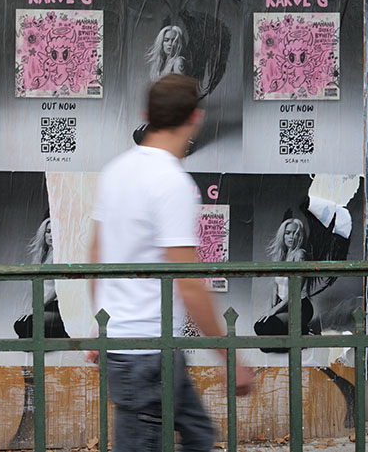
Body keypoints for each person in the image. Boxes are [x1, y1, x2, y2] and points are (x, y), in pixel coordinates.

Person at [88, 74, 253, 452]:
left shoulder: (116, 171)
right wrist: (230, 360)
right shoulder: (171, 182)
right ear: (196, 117)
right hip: (148, 354)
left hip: (138, 348)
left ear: (147, 114)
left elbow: (96, 255)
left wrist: (104, 323)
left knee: (198, 435)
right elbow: (189, 282)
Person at [253, 218, 316, 351]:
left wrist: (274, 311)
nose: (291, 237)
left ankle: (302, 332)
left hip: (299, 306)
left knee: (267, 333)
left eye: (296, 233)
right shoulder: (281, 255)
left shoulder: (300, 255)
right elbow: (274, 287)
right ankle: (298, 334)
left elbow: (295, 291)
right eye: (288, 233)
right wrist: (269, 309)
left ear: (300, 236)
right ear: (283, 235)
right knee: (259, 326)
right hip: (283, 305)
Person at [13, 218, 70, 339]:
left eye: (54, 231)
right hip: (43, 305)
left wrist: (36, 307)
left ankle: (62, 334)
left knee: (27, 325)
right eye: (48, 231)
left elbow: (56, 288)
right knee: (20, 325)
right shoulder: (42, 257)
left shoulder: (59, 256)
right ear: (43, 233)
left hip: (55, 305)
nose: (51, 235)